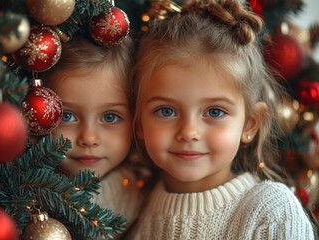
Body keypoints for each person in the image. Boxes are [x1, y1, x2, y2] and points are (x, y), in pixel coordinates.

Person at [129, 0, 316, 239]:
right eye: (166, 111)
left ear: (250, 124)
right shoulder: (136, 207)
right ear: (139, 122)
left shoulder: (271, 212)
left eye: (215, 112)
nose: (189, 132)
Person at [40, 35, 146, 239]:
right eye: (67, 116)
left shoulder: (147, 197)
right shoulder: (23, 200)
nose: (88, 138)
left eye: (110, 117)